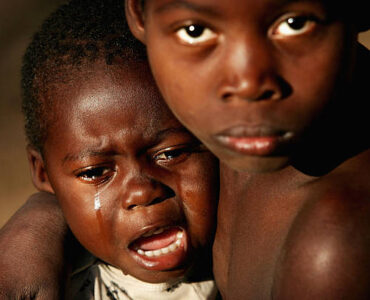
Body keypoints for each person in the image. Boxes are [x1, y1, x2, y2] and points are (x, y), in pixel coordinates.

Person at [124, 0, 370, 299]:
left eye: (295, 24)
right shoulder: (230, 130)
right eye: (195, 30)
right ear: (139, 13)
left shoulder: (335, 245)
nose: (247, 83)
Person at [1, 0, 219, 299]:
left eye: (170, 153)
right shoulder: (56, 287)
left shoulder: (254, 239)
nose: (142, 192)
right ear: (43, 173)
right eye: (95, 172)